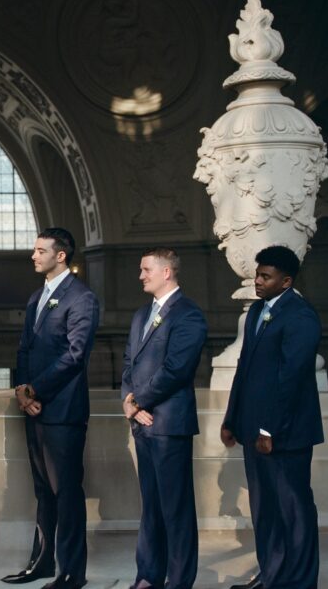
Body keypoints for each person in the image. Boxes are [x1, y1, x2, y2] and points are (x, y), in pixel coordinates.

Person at [221, 246, 323, 589]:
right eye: (257, 274)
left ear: (286, 281)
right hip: (252, 429)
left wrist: (269, 430)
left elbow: (290, 379)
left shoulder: (301, 316)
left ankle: (301, 582)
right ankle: (273, 577)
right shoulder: (256, 313)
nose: (257, 281)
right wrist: (231, 419)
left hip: (286, 433)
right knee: (264, 509)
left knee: (294, 510)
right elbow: (245, 369)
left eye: (266, 276)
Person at [7, 228, 98, 589]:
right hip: (34, 409)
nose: (34, 255)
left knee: (67, 493)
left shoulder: (82, 298)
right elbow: (24, 348)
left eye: (41, 250)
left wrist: (36, 387)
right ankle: (41, 564)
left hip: (64, 411)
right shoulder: (36, 297)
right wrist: (21, 389)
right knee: (43, 491)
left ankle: (72, 572)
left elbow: (75, 355)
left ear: (61, 256)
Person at [121, 248, 207, 589]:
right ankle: (148, 575)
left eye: (146, 269)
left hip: (169, 423)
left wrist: (139, 399)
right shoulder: (141, 315)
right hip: (141, 423)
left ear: (167, 272)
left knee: (176, 508)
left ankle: (179, 581)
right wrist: (128, 403)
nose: (141, 275)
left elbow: (176, 369)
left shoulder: (188, 315)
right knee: (151, 507)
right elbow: (128, 362)